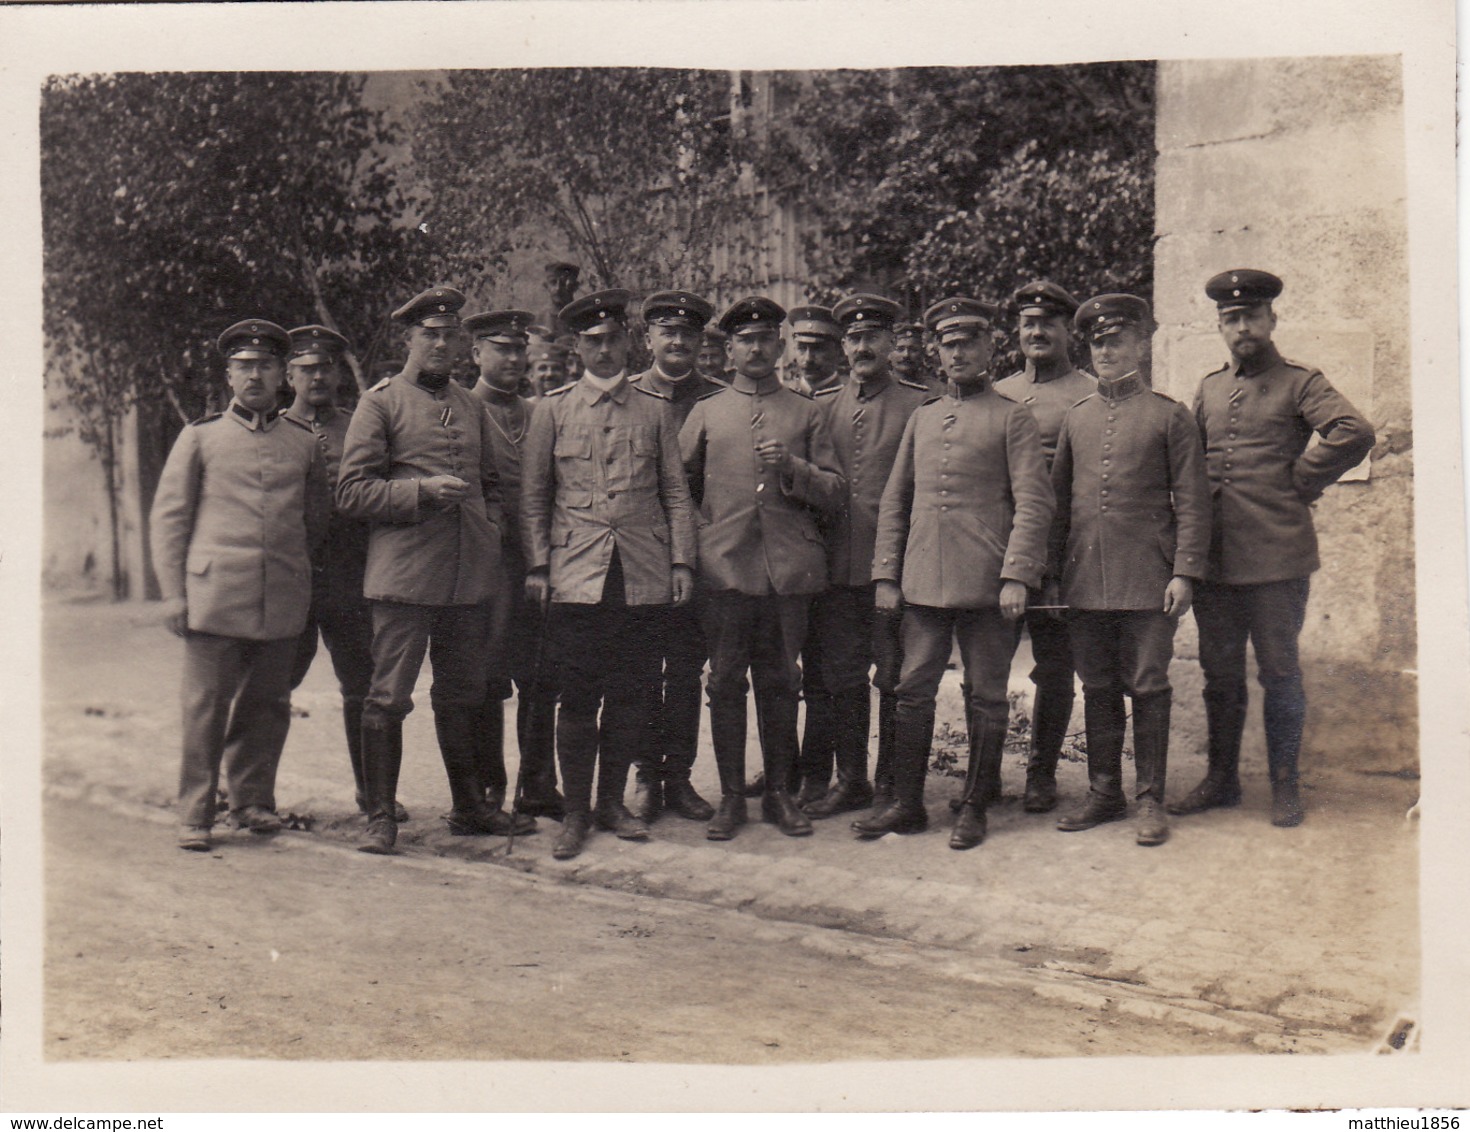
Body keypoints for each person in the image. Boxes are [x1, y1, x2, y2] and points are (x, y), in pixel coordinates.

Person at [1170, 270, 1375, 828]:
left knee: (1281, 672)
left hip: (1278, 558)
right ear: (1220, 326)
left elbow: (1353, 431)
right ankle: (1221, 779)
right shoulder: (1210, 388)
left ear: (1271, 320)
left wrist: (1301, 479)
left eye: (1252, 317)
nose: (1243, 328)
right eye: (1232, 320)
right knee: (1219, 675)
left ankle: (1286, 786)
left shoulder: (1299, 382)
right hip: (1215, 561)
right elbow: (1190, 466)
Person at [860, 297, 1053, 849]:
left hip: (988, 586)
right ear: (937, 354)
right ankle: (906, 801)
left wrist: (1017, 574)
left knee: (988, 695)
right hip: (922, 583)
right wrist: (886, 576)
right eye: (949, 345)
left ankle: (974, 804)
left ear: (990, 348)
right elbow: (896, 502)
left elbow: (1034, 504)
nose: (958, 353)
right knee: (911, 689)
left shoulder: (1012, 416)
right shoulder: (922, 418)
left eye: (969, 343)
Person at [520, 288, 697, 860]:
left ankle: (612, 802)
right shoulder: (552, 409)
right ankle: (574, 812)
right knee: (577, 697)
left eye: (611, 339)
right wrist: (540, 566)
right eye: (591, 341)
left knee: (631, 693)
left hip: (641, 571)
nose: (602, 350)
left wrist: (680, 561)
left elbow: (675, 492)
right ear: (576, 347)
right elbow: (534, 498)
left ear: (627, 341)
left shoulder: (654, 410)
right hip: (576, 574)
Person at [336, 285, 511, 855]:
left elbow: (490, 484)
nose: (440, 343)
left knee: (461, 693)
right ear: (407, 340)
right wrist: (421, 492)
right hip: (405, 577)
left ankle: (467, 808)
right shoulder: (380, 402)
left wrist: (490, 533)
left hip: (465, 576)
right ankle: (381, 817)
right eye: (428, 335)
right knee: (388, 697)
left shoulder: (469, 404)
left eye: (448, 335)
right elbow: (352, 492)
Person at [152, 319, 329, 851]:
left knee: (269, 703)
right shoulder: (201, 436)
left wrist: (294, 570)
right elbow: (170, 518)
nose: (255, 375)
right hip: (214, 597)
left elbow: (314, 520)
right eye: (244, 366)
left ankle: (252, 801)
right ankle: (196, 813)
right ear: (229, 375)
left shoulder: (302, 443)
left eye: (266, 365)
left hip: (280, 595)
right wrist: (172, 593)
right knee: (205, 707)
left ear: (282, 375)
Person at [679, 296, 845, 840]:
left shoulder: (805, 411)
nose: (756, 348)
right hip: (724, 570)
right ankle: (731, 798)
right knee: (725, 681)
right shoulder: (707, 410)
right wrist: (698, 546)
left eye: (765, 339)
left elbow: (836, 492)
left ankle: (778, 793)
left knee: (781, 681)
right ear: (729, 350)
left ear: (780, 347)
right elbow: (680, 489)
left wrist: (792, 466)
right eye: (745, 340)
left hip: (787, 571)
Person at [1049, 294, 1211, 846]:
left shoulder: (1170, 416)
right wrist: (1051, 576)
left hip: (1148, 577)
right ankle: (1103, 793)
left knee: (1147, 685)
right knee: (1096, 685)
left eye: (1116, 340)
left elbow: (1192, 501)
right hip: (1084, 579)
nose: (1106, 351)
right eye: (1097, 342)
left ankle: (1150, 800)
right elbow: (1057, 505)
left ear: (1140, 343)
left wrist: (1184, 572)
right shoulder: (1077, 419)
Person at [798, 294, 930, 822]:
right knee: (841, 677)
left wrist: (898, 568)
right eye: (852, 338)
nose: (861, 347)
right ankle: (850, 780)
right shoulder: (821, 408)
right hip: (835, 571)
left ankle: (891, 784)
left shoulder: (920, 405)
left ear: (891, 343)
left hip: (895, 570)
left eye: (871, 337)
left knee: (895, 677)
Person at [280, 325, 405, 822]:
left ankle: (374, 796)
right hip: (291, 577)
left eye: (326, 367)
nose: (317, 377)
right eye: (306, 368)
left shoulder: (359, 426)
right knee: (273, 686)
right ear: (289, 375)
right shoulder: (272, 430)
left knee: (363, 686)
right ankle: (249, 793)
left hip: (349, 577)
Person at [993, 281, 1097, 813]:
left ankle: (1041, 771)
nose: (1036, 332)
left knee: (1054, 669)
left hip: (1058, 556)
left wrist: (1058, 563)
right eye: (1028, 323)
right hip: (999, 557)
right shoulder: (1000, 392)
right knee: (987, 663)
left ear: (1067, 333)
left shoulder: (1089, 392)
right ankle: (984, 772)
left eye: (1048, 324)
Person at [627, 290, 724, 825]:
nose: (679, 341)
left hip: (699, 558)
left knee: (686, 669)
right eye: (668, 332)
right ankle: (646, 776)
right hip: (639, 554)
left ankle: (680, 777)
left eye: (689, 333)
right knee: (642, 668)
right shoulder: (627, 395)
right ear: (650, 340)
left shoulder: (716, 399)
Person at [741, 303, 845, 800]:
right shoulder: (772, 399)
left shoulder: (844, 401)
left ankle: (818, 773)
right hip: (776, 559)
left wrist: (794, 468)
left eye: (819, 346)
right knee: (776, 669)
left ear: (837, 350)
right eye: (802, 346)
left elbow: (837, 487)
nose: (809, 356)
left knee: (822, 672)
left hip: (832, 556)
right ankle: (781, 770)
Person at [464, 308, 560, 829]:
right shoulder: (461, 410)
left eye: (519, 349)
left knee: (543, 674)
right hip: (489, 566)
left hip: (543, 561)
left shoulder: (539, 411)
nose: (513, 359)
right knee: (487, 676)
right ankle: (487, 789)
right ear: (476, 353)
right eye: (501, 349)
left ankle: (538, 786)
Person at [890, 320, 940, 395]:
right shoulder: (880, 386)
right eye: (900, 349)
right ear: (889, 353)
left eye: (913, 350)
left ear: (922, 353)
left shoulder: (937, 390)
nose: (906, 355)